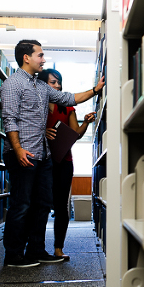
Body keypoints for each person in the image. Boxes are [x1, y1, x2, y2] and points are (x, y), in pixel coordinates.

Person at [0, 40, 104, 267]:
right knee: (21, 204)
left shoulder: (41, 87)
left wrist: (96, 90)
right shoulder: (12, 84)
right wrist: (17, 149)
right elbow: (9, 119)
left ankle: (36, 250)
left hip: (43, 155)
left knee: (43, 204)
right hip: (23, 153)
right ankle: (13, 255)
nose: (44, 59)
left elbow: (67, 99)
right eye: (40, 55)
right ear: (26, 57)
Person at [38, 68, 96, 260]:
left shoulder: (67, 107)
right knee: (42, 204)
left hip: (64, 161)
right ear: (42, 84)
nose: (57, 86)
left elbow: (75, 134)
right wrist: (43, 132)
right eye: (53, 82)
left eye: (59, 82)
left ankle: (58, 248)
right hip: (43, 161)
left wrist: (86, 122)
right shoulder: (37, 106)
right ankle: (37, 249)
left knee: (61, 206)